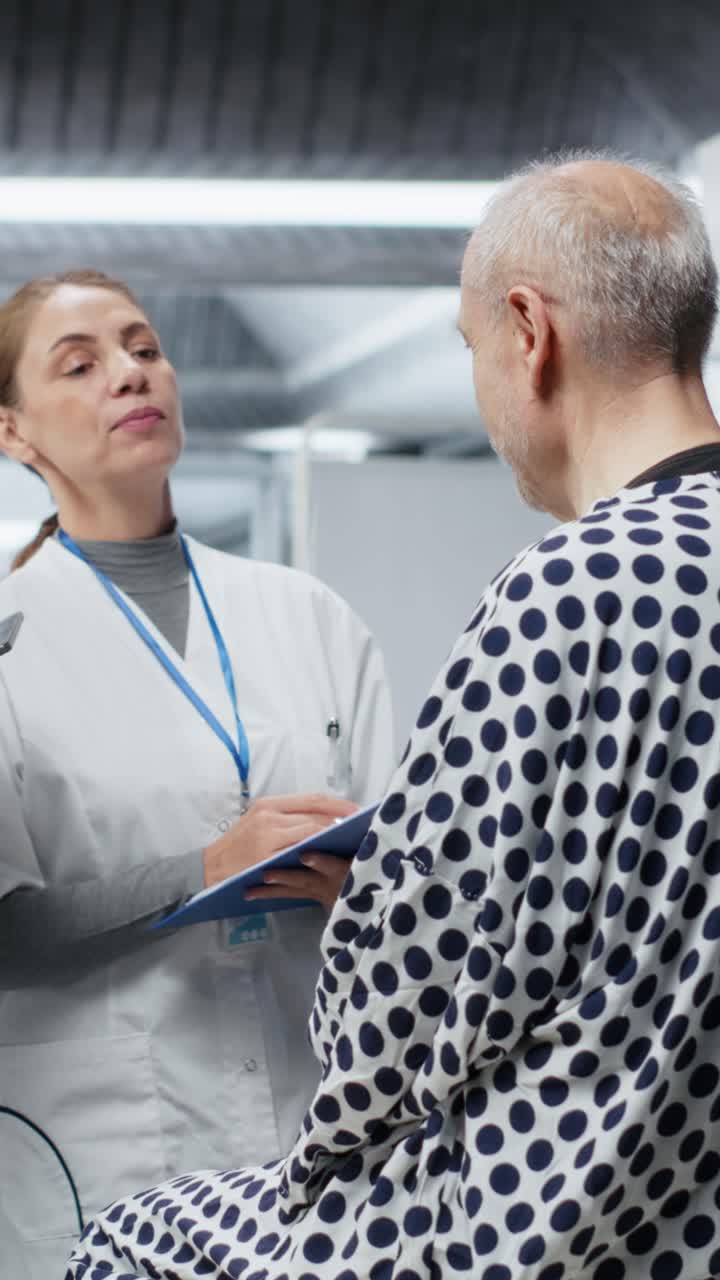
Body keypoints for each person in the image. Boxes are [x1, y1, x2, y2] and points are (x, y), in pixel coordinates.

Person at [68, 152, 720, 1280]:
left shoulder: (566, 589)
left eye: (472, 352)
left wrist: (373, 900)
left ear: (529, 331)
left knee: (130, 1239)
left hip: (536, 1213)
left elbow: (393, 1020)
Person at [0, 269, 395, 1277]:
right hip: (107, 1140)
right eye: (80, 364)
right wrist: (203, 868)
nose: (130, 375)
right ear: (15, 433)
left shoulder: (305, 612)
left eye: (143, 347)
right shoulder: (9, 641)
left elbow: (415, 854)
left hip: (319, 1130)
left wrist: (368, 883)